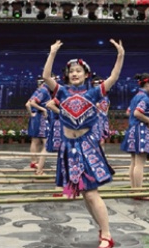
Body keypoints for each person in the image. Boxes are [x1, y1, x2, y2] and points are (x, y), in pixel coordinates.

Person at [43, 39, 125, 248]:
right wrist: (52, 53)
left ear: (86, 74)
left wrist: (120, 55)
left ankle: (107, 235)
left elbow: (113, 77)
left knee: (90, 192)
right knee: (85, 195)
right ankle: (102, 231)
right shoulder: (62, 92)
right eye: (71, 71)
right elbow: (46, 77)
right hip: (68, 147)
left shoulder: (93, 93)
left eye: (78, 71)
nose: (75, 74)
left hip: (87, 146)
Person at [121, 73, 149, 200]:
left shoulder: (136, 97)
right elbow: (136, 113)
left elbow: (128, 112)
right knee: (139, 163)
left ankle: (134, 190)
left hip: (132, 130)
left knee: (134, 162)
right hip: (140, 131)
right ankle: (139, 192)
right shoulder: (144, 98)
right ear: (147, 84)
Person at [25, 76, 51, 173]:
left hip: (36, 117)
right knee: (46, 142)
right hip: (41, 117)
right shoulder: (44, 91)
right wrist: (43, 109)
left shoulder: (38, 91)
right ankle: (39, 164)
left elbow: (27, 104)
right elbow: (31, 103)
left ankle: (34, 162)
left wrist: (31, 114)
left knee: (35, 141)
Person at [93, 75, 111, 147]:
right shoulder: (91, 96)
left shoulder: (105, 97)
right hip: (94, 121)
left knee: (101, 141)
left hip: (102, 120)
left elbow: (106, 109)